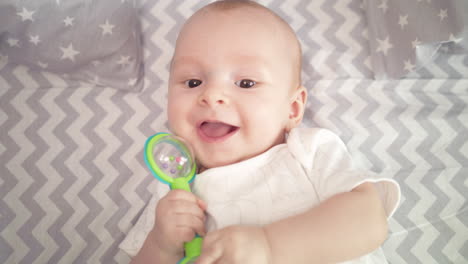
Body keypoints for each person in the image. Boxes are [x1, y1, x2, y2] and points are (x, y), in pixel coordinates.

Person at [120, 0, 400, 263]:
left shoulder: (307, 150)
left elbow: (368, 220)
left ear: (292, 109)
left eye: (246, 83)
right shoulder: (174, 185)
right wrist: (160, 245)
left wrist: (268, 245)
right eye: (193, 82)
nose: (212, 94)